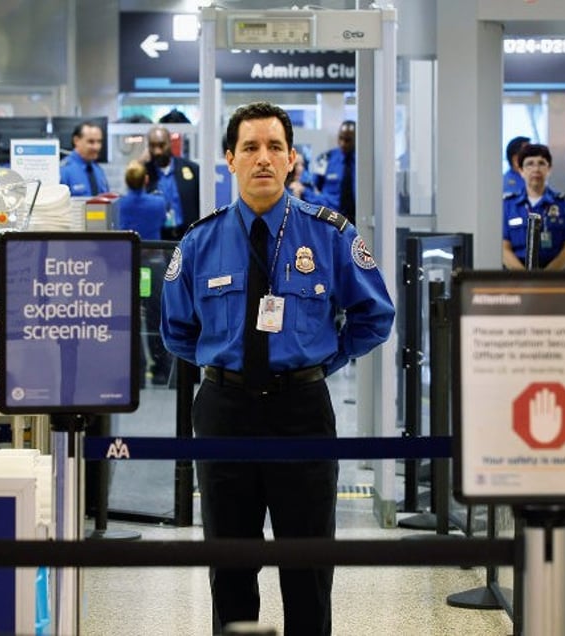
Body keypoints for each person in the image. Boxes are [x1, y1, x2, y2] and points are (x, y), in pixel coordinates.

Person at [160, 101, 395, 635]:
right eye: (250, 147)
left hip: (302, 412)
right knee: (230, 562)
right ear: (229, 159)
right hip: (224, 413)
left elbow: (374, 315)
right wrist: (225, 364)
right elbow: (175, 329)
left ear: (292, 159)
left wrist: (318, 362)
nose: (262, 158)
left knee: (307, 565)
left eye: (273, 147)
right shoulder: (200, 241)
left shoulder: (329, 234)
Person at [118, 160, 172, 385]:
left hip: (128, 265)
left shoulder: (119, 204)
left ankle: (136, 371)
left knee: (130, 319)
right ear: (146, 180)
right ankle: (160, 370)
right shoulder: (158, 203)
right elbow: (165, 220)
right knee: (154, 317)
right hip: (153, 263)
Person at [502, 143, 565, 270]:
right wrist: (524, 278)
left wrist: (545, 278)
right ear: (521, 171)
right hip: (517, 276)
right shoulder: (508, 205)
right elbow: (504, 248)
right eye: (530, 164)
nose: (536, 169)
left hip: (554, 277)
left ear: (549, 169)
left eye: (541, 163)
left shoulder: (563, 203)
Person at [144, 125, 201, 240]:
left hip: (187, 237)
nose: (157, 151)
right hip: (156, 240)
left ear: (170, 143)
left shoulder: (191, 169)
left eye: (161, 145)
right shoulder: (144, 173)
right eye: (152, 146)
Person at [310, 120, 357, 224]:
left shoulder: (364, 163)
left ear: (356, 140)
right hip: (332, 219)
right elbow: (316, 186)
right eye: (340, 138)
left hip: (358, 219)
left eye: (348, 140)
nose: (343, 143)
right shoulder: (325, 158)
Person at [59, 121, 109, 197]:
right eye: (91, 142)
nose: (96, 147)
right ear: (76, 141)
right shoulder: (63, 171)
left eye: (99, 141)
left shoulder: (98, 170)